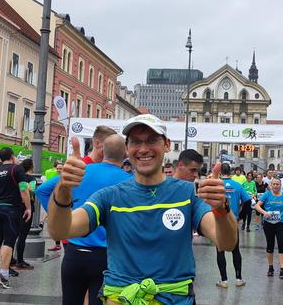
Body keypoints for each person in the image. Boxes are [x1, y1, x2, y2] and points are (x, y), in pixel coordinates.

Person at [47, 114, 238, 304]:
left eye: (152, 140)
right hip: (121, 299)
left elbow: (227, 243)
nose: (144, 149)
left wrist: (221, 209)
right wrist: (63, 189)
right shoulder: (110, 196)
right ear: (127, 149)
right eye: (136, 142)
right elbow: (61, 229)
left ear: (167, 145)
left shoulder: (188, 194)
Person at [37, 134, 132, 305]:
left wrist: (58, 215)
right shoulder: (130, 181)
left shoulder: (82, 172)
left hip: (74, 253)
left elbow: (42, 190)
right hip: (107, 256)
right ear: (125, 154)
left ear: (103, 151)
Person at [0, 148, 32, 289]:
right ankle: (4, 275)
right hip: (11, 209)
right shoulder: (17, 169)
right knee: (9, 241)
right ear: (12, 156)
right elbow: (24, 189)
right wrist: (28, 207)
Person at [215, 163, 251, 288]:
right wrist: (241, 216)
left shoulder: (216, 185)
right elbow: (248, 201)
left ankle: (224, 281)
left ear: (220, 172)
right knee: (235, 250)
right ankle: (238, 279)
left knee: (220, 250)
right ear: (230, 172)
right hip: (232, 221)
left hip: (218, 221)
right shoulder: (238, 185)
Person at [255, 177, 283, 281]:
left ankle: (282, 269)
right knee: (270, 245)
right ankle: (270, 267)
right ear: (271, 185)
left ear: (280, 185)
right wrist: (264, 213)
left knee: (282, 245)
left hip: (281, 223)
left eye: (277, 184)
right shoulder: (267, 194)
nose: (275, 186)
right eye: (274, 184)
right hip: (269, 223)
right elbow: (257, 206)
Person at [12, 158, 37, 270]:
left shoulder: (16, 177)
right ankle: (20, 260)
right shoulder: (31, 179)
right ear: (31, 167)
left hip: (15, 206)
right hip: (26, 208)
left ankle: (11, 259)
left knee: (13, 234)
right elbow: (31, 190)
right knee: (22, 235)